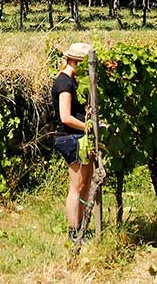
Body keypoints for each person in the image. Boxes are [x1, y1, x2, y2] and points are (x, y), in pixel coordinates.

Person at [51, 42, 94, 244]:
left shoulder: (74, 81)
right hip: (70, 138)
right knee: (76, 186)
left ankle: (83, 227)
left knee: (86, 184)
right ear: (75, 61)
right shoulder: (64, 83)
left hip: (79, 137)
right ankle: (73, 231)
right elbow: (65, 117)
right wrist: (89, 127)